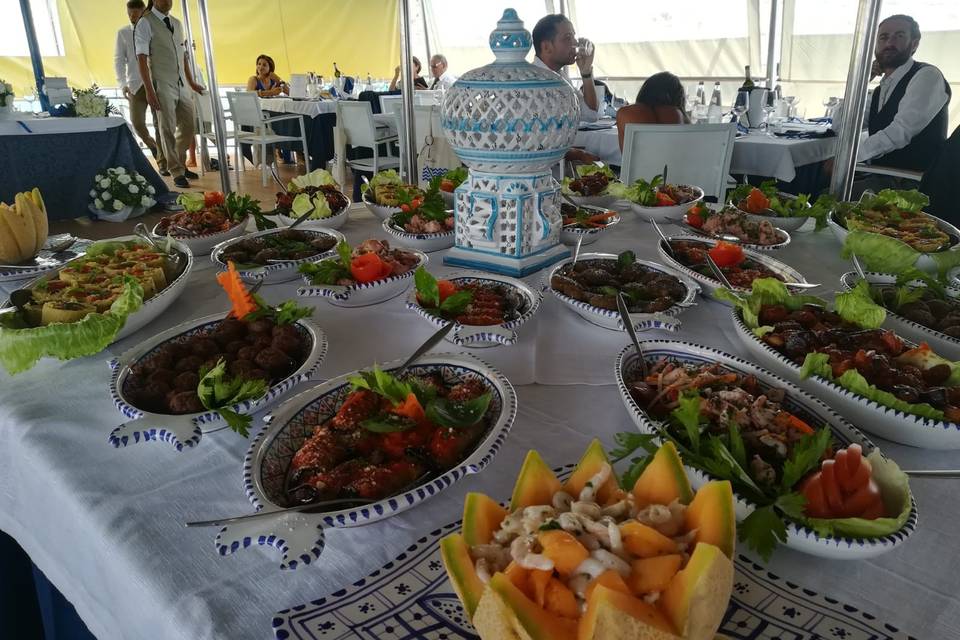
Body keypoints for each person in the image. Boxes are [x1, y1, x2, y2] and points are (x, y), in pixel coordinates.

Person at [858, 14, 951, 177]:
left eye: (899, 36)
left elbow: (900, 132)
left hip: (910, 183)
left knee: (821, 190)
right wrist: (861, 80)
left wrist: (848, 157)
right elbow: (840, 124)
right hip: (878, 173)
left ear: (914, 44)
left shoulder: (927, 76)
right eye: (883, 37)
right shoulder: (879, 90)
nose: (889, 43)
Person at [135, 0, 204, 188]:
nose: (168, 1)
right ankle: (176, 171)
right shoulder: (145, 23)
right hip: (162, 82)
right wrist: (149, 90)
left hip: (182, 83)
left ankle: (180, 163)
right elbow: (141, 59)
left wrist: (191, 82)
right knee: (167, 128)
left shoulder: (177, 23)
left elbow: (183, 56)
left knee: (189, 125)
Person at [114, 0, 166, 174]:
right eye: (129, 15)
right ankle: (154, 148)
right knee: (137, 123)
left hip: (156, 82)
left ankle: (163, 161)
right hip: (135, 85)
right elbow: (119, 60)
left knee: (160, 123)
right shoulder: (122, 33)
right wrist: (122, 84)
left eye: (136, 14)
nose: (132, 18)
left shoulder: (154, 27)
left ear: (144, 11)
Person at [531, 14, 599, 123]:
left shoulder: (561, 76)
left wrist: (585, 71)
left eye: (573, 36)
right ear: (546, 47)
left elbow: (590, 115)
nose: (576, 43)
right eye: (567, 38)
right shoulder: (531, 81)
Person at [615, 72, 690, 150]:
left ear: (645, 91)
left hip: (640, 162)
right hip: (673, 162)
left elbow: (625, 155)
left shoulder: (626, 113)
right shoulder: (677, 115)